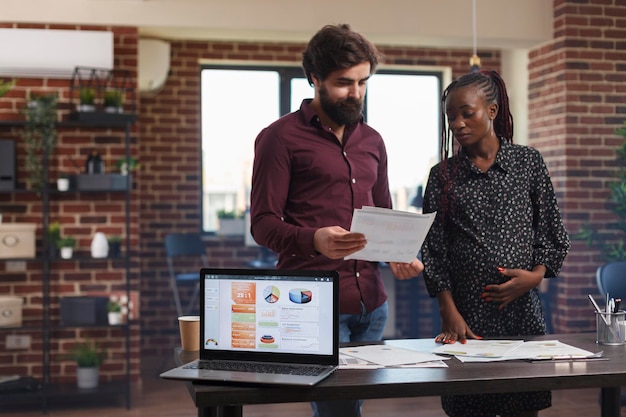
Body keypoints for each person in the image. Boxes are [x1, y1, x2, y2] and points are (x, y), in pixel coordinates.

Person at [249, 23, 423, 417]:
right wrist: (315, 240)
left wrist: (399, 253)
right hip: (314, 303)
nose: (356, 93)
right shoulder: (279, 138)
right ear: (314, 78)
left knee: (349, 410)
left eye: (363, 81)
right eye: (344, 82)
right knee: (338, 413)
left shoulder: (373, 140)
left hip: (373, 306)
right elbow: (261, 224)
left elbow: (382, 215)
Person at [422, 69, 570, 417]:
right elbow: (433, 250)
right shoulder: (442, 175)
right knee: (469, 406)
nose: (457, 123)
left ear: (491, 110)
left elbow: (551, 232)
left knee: (522, 406)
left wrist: (535, 277)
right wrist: (448, 311)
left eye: (466, 112)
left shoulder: (528, 163)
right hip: (465, 318)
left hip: (522, 316)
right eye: (451, 116)